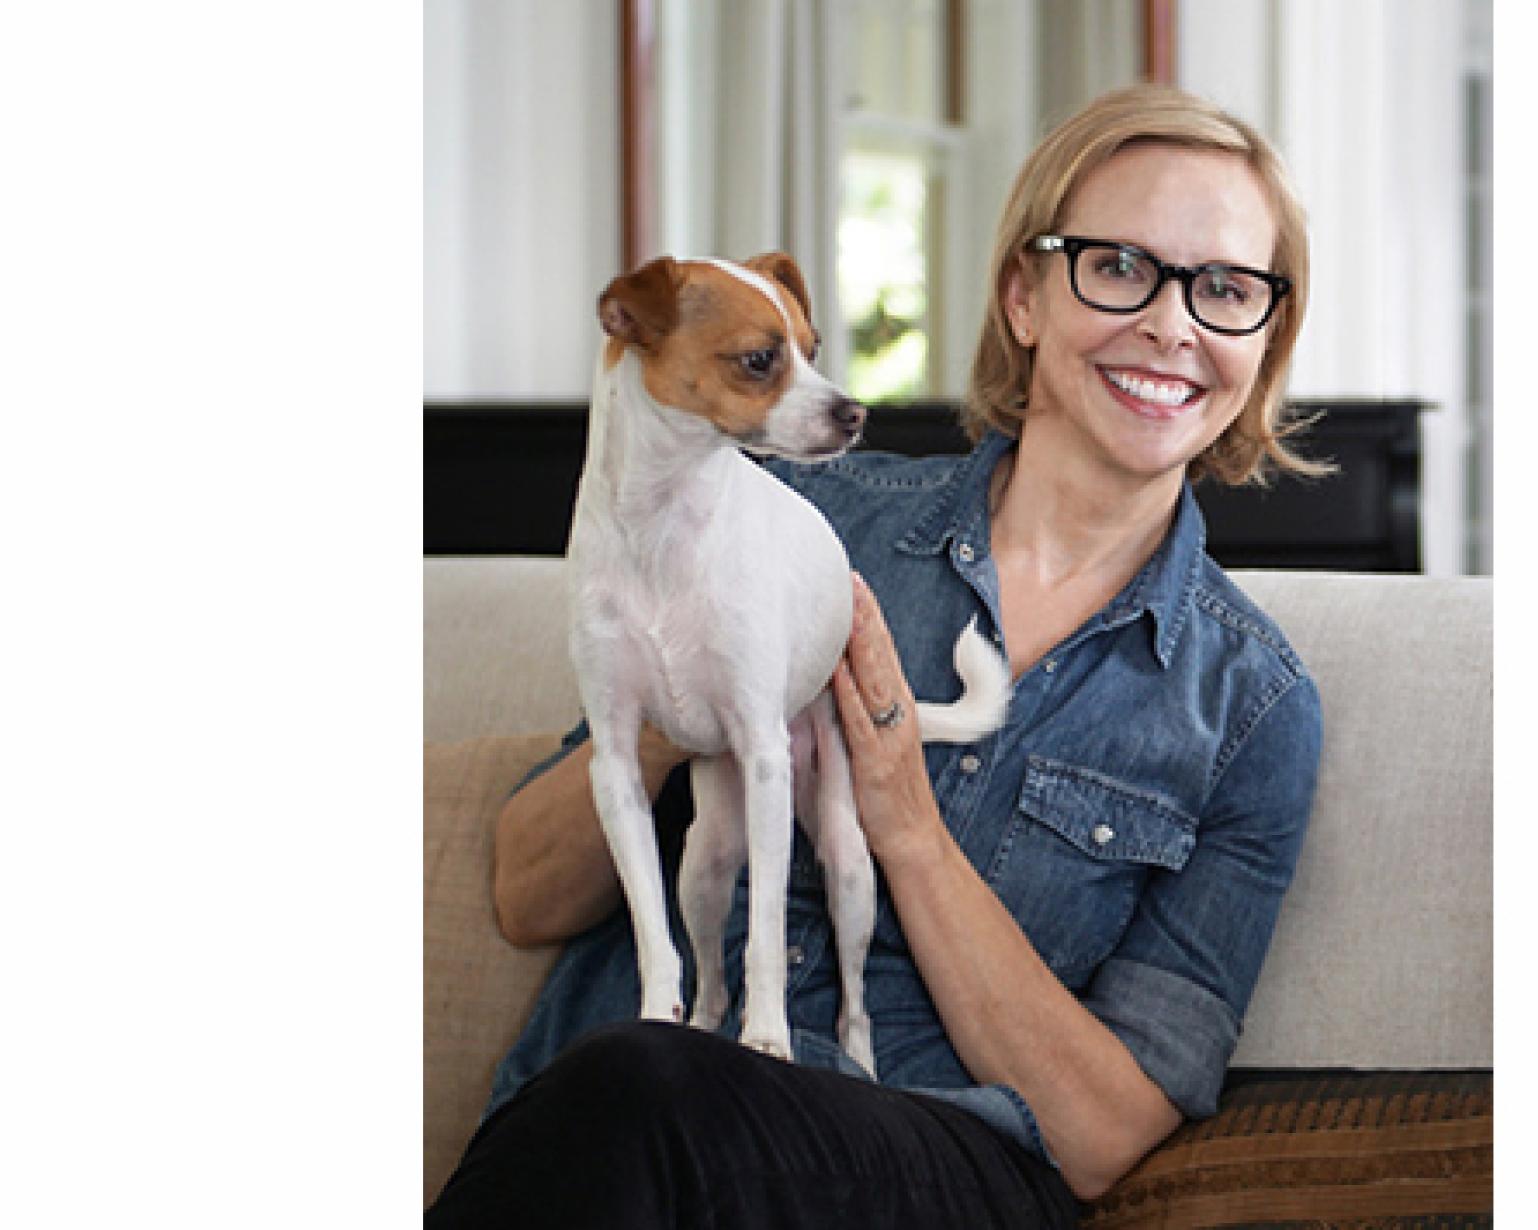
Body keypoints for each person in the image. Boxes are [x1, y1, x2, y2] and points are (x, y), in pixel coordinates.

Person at [428, 82, 1325, 1228]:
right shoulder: (791, 514)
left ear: (1266, 338)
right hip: (608, 1121)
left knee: (643, 1088)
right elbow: (524, 889)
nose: (1172, 322)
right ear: (1024, 296)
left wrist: (902, 818)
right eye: (1118, 266)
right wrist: (683, 703)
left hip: (921, 1158)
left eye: (1228, 288)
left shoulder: (1248, 705)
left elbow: (1107, 1136)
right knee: (626, 1083)